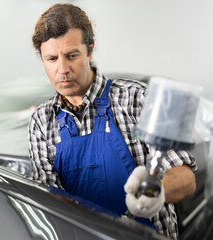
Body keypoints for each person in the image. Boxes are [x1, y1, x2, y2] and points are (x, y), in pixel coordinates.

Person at [28, 3, 196, 239]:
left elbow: (186, 178)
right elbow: (51, 200)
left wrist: (158, 190)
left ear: (90, 50)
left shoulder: (138, 98)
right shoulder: (41, 122)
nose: (62, 69)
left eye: (72, 55)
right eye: (52, 59)